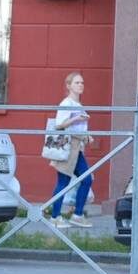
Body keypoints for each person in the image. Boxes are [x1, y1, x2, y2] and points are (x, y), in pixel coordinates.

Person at [48, 72, 93, 229]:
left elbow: (78, 128)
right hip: (67, 149)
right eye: (76, 83)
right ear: (68, 86)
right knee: (63, 182)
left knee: (87, 179)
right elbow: (60, 124)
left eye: (82, 82)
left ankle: (77, 215)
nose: (80, 85)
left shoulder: (79, 106)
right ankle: (55, 217)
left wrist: (87, 136)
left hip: (77, 150)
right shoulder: (66, 103)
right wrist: (76, 119)